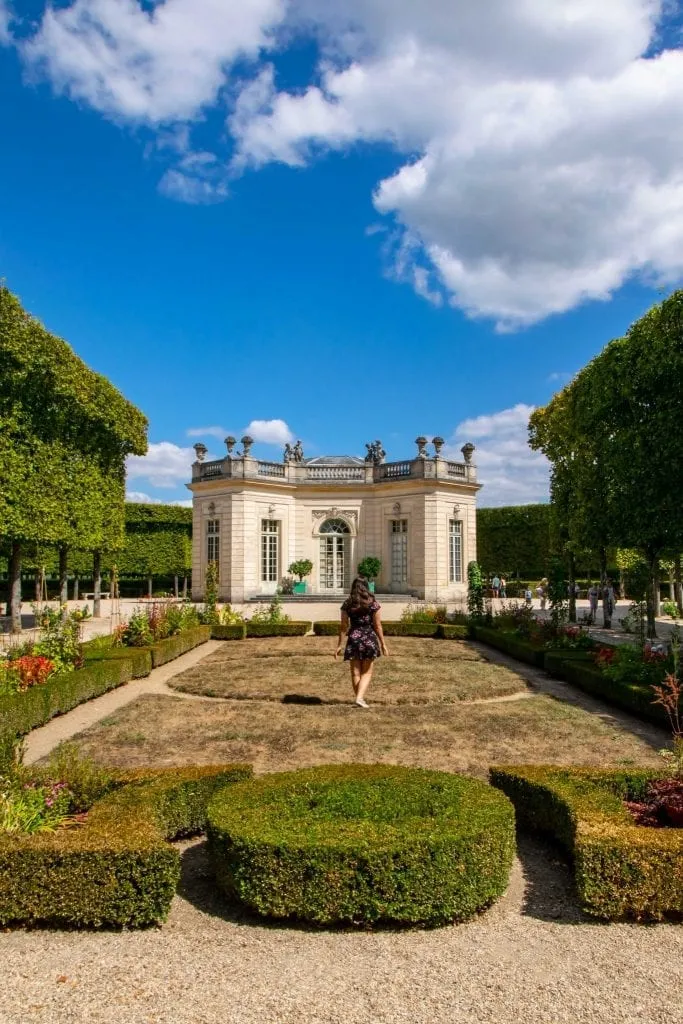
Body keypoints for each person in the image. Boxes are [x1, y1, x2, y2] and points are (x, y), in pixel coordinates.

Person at [335, 577, 389, 708]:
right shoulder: (373, 603)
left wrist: (339, 645)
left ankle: (359, 698)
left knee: (355, 673)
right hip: (369, 638)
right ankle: (359, 698)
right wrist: (383, 644)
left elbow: (343, 626)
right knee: (367, 672)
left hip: (353, 638)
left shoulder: (347, 603)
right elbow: (377, 626)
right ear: (366, 588)